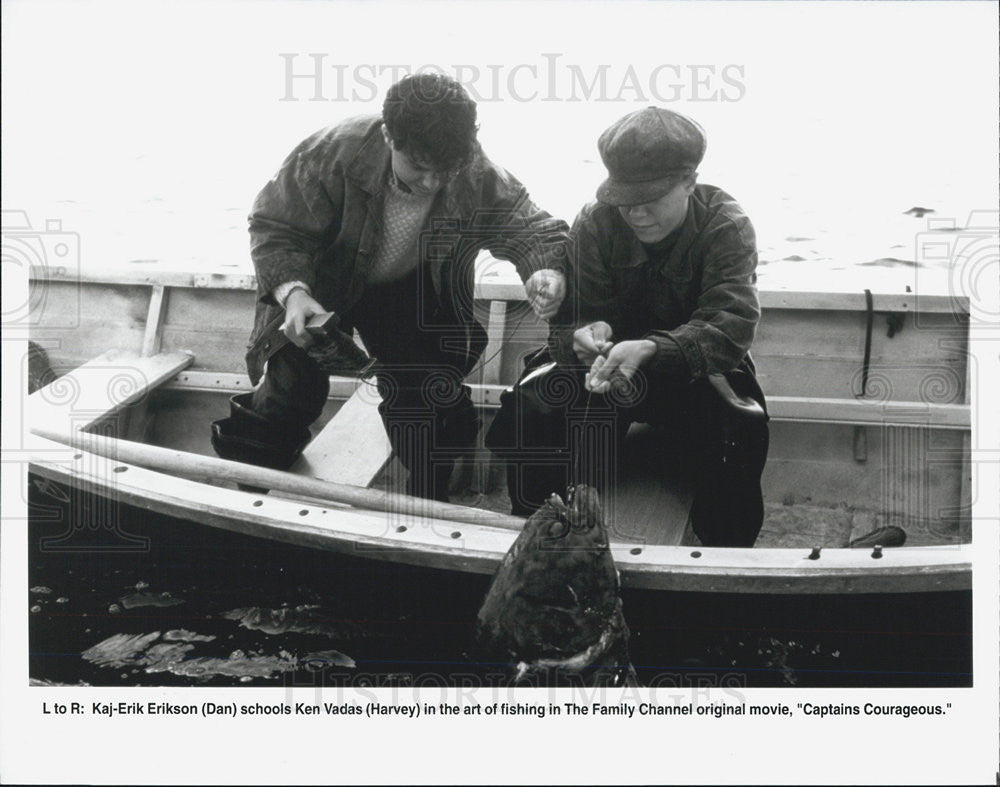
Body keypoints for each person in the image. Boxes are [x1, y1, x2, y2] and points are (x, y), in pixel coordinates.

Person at [212, 73, 569, 502]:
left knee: (427, 396)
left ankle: (430, 502)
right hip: (320, 288)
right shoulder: (332, 152)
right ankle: (249, 497)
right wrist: (293, 292)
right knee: (288, 392)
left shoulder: (473, 169)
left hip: (408, 293)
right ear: (388, 136)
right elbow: (275, 226)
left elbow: (533, 230)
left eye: (446, 170)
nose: (431, 183)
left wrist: (543, 271)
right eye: (418, 167)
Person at [491, 107, 768, 547]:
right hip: (604, 375)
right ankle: (534, 533)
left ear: (689, 182)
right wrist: (580, 336)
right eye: (625, 199)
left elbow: (729, 329)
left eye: (651, 198)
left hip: (694, 372)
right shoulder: (596, 221)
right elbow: (569, 325)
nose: (635, 213)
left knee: (741, 430)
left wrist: (653, 350)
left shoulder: (725, 226)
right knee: (532, 409)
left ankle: (723, 550)